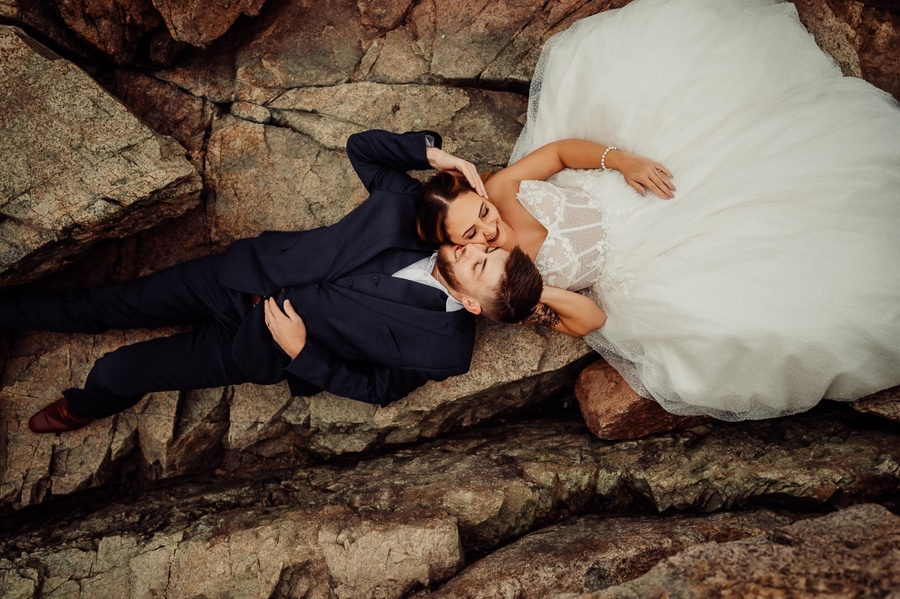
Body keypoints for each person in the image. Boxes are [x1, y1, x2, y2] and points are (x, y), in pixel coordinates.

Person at [415, 0, 900, 421]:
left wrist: (621, 160)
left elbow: (560, 153)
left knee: (747, 145)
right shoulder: (505, 286)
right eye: (473, 233)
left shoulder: (502, 188)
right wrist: (538, 291)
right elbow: (592, 321)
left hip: (626, 192)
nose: (487, 225)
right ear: (458, 245)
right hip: (645, 257)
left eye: (480, 210)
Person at [0, 129, 544, 434]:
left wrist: (303, 353)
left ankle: (86, 406)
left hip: (254, 345)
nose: (472, 245)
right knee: (102, 304)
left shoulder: (446, 351)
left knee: (115, 370)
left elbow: (378, 390)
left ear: (475, 306)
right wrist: (431, 152)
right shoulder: (415, 215)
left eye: (480, 261)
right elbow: (362, 149)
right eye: (480, 244)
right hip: (237, 276)